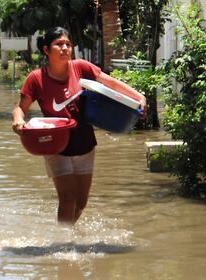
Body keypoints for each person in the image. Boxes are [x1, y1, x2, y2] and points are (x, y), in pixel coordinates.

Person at [11, 26, 146, 225]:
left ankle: (64, 235)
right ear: (47, 50)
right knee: (67, 199)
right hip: (56, 146)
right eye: (59, 44)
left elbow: (109, 82)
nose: (65, 48)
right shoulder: (36, 78)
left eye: (68, 44)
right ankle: (63, 246)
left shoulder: (81, 67)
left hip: (85, 143)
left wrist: (138, 97)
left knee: (81, 203)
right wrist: (18, 121)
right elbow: (20, 108)